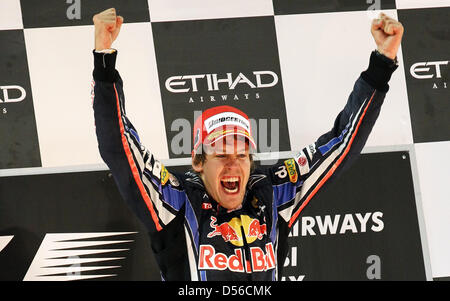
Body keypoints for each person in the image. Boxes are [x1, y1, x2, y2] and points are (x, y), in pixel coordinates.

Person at [91, 8, 403, 281]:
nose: (233, 164)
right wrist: (104, 64)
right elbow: (120, 150)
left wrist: (381, 65)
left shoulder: (274, 192)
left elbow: (341, 142)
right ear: (198, 162)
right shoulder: (176, 203)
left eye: (241, 154)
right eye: (221, 153)